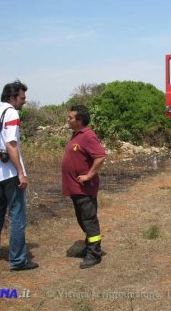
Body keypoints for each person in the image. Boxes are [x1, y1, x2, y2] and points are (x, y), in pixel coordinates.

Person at [0, 80, 38, 271]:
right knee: (17, 215)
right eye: (22, 97)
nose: (24, 101)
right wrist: (20, 173)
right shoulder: (11, 112)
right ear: (12, 98)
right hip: (10, 174)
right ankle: (18, 260)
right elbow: (11, 144)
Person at [61, 104, 106, 269]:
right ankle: (90, 247)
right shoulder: (76, 135)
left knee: (89, 220)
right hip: (75, 188)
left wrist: (89, 175)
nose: (68, 119)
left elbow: (100, 156)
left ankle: (94, 254)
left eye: (71, 117)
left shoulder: (87, 136)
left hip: (85, 188)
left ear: (79, 120)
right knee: (82, 219)